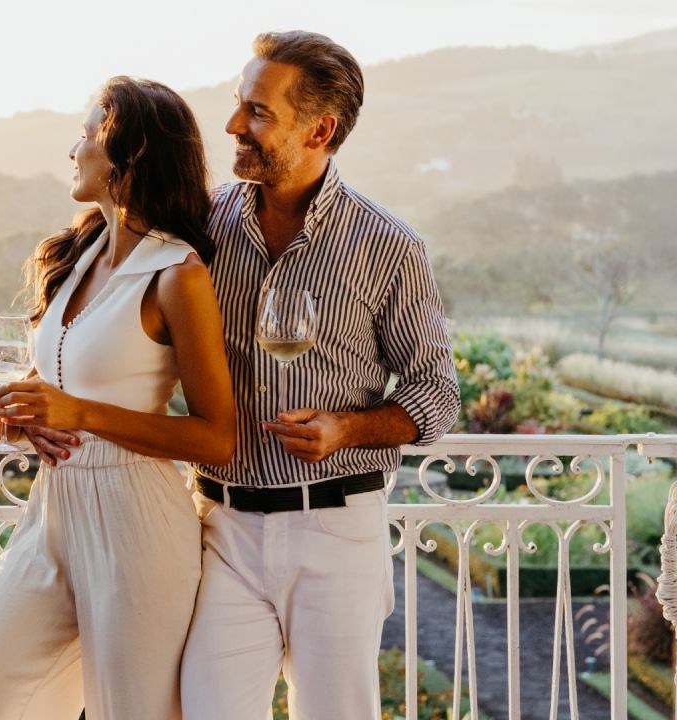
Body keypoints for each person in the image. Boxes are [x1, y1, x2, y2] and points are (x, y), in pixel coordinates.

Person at [0, 76, 237, 720]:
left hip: (137, 527)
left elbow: (217, 439)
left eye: (87, 134)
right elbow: (62, 395)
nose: (73, 149)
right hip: (52, 516)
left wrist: (79, 414)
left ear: (129, 154)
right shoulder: (74, 255)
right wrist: (8, 425)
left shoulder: (178, 275)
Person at [173, 31, 462, 719]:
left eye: (258, 112)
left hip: (336, 532)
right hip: (221, 528)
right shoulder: (200, 225)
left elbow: (436, 395)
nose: (233, 124)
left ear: (320, 129)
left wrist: (348, 428)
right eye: (239, 104)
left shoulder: (387, 246)